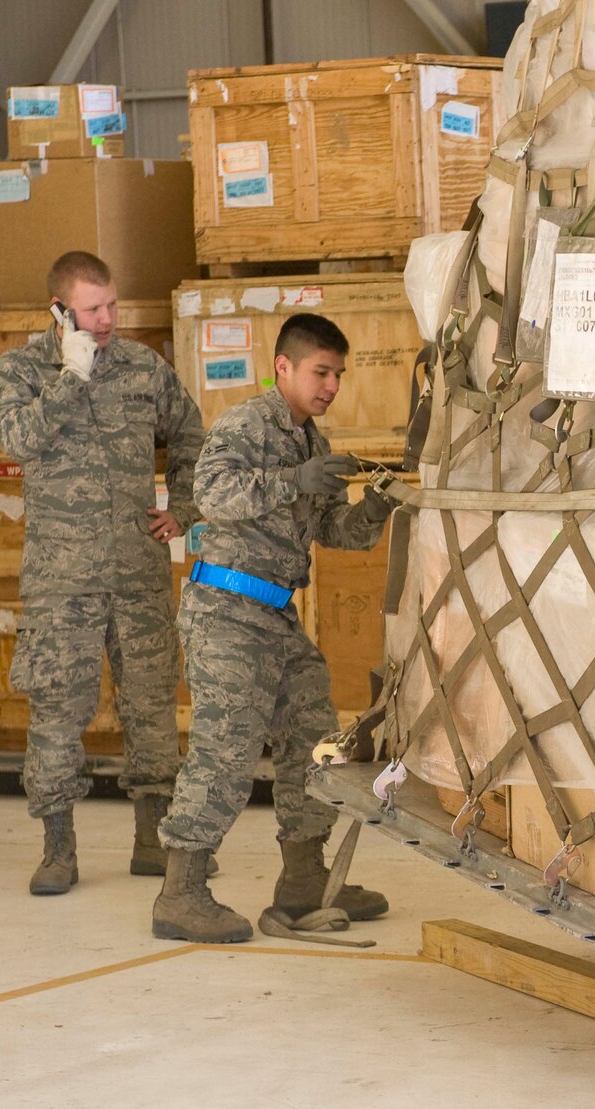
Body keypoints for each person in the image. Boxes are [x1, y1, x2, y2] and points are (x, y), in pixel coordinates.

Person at [151, 313, 395, 943]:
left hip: (275, 616)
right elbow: (212, 493)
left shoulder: (311, 442)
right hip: (226, 612)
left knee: (313, 741)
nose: (331, 385)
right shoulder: (246, 425)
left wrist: (376, 504)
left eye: (339, 374)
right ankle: (180, 892)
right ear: (283, 367)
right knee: (225, 750)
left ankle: (302, 879)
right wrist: (293, 482)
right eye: (321, 372)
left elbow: (335, 533)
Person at [0, 250, 205, 895]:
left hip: (137, 573)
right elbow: (19, 437)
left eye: (112, 305)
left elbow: (192, 433)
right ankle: (58, 849)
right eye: (92, 309)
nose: (107, 319)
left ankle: (152, 840)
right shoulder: (20, 371)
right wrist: (69, 378)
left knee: (152, 708)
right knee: (57, 710)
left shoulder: (143, 368)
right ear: (59, 311)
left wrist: (184, 508)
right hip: (62, 583)